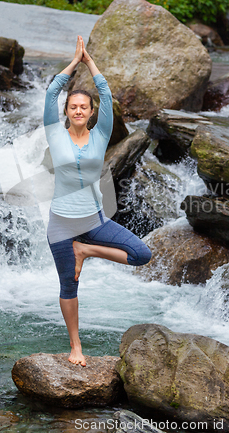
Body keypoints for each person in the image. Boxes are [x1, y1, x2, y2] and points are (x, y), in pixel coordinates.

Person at [43, 36, 152, 367]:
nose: (78, 110)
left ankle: (86, 250)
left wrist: (91, 64)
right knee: (68, 287)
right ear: (67, 111)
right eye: (73, 106)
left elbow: (107, 95)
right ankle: (75, 345)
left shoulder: (101, 134)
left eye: (83, 107)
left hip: (94, 221)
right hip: (62, 225)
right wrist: (73, 64)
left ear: (91, 113)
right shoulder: (55, 132)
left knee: (141, 254)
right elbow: (50, 93)